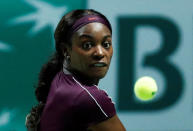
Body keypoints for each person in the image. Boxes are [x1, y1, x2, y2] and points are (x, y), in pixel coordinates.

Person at [25, 9, 126, 131]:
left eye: (106, 44)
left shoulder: (59, 80)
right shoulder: (88, 98)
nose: (100, 53)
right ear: (66, 50)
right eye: (87, 45)